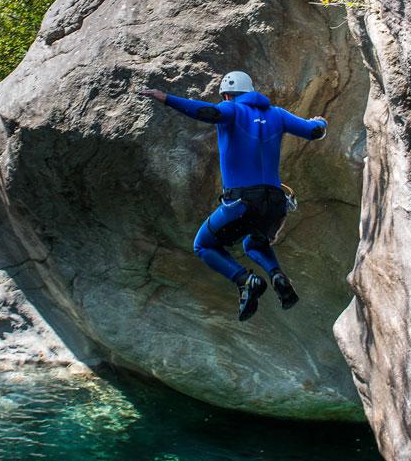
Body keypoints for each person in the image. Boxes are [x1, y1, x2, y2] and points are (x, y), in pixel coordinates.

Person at [140, 70, 327, 321]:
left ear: (227, 95)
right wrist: (321, 123)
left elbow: (207, 112)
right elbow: (313, 131)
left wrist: (167, 98)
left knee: (203, 245)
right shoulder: (278, 114)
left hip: (242, 202)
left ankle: (245, 280)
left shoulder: (232, 109)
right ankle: (277, 276)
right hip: (275, 203)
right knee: (253, 243)